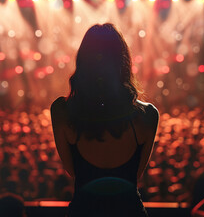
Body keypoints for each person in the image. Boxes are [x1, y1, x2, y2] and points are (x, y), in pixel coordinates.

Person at [51, 23, 159, 216]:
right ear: (123, 61)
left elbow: (73, 171)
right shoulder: (148, 115)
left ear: (83, 61)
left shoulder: (62, 112)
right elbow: (136, 174)